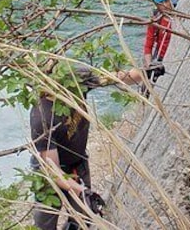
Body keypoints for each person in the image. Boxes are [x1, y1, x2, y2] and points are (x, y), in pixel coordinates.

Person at [30, 65, 145, 230]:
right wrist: (80, 189)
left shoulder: (76, 80)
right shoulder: (42, 118)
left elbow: (114, 77)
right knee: (46, 222)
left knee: (84, 215)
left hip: (77, 160)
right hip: (50, 170)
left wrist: (144, 72)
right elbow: (53, 171)